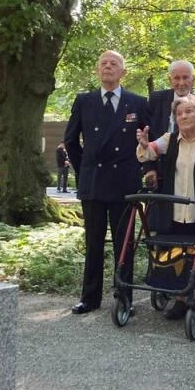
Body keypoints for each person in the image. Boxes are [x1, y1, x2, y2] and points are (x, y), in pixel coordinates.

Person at [64, 50, 147, 314]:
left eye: (114, 64)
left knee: (125, 243)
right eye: (103, 64)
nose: (108, 67)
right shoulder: (84, 101)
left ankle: (124, 297)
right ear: (97, 71)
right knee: (94, 242)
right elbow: (70, 140)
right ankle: (90, 298)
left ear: (123, 72)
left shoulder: (138, 102)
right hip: (95, 182)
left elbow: (147, 142)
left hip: (125, 183)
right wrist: (84, 169)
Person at [136, 95, 195, 319]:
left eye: (188, 112)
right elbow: (150, 151)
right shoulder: (170, 139)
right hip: (175, 209)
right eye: (179, 113)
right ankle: (180, 299)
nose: (182, 116)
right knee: (177, 253)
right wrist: (144, 145)